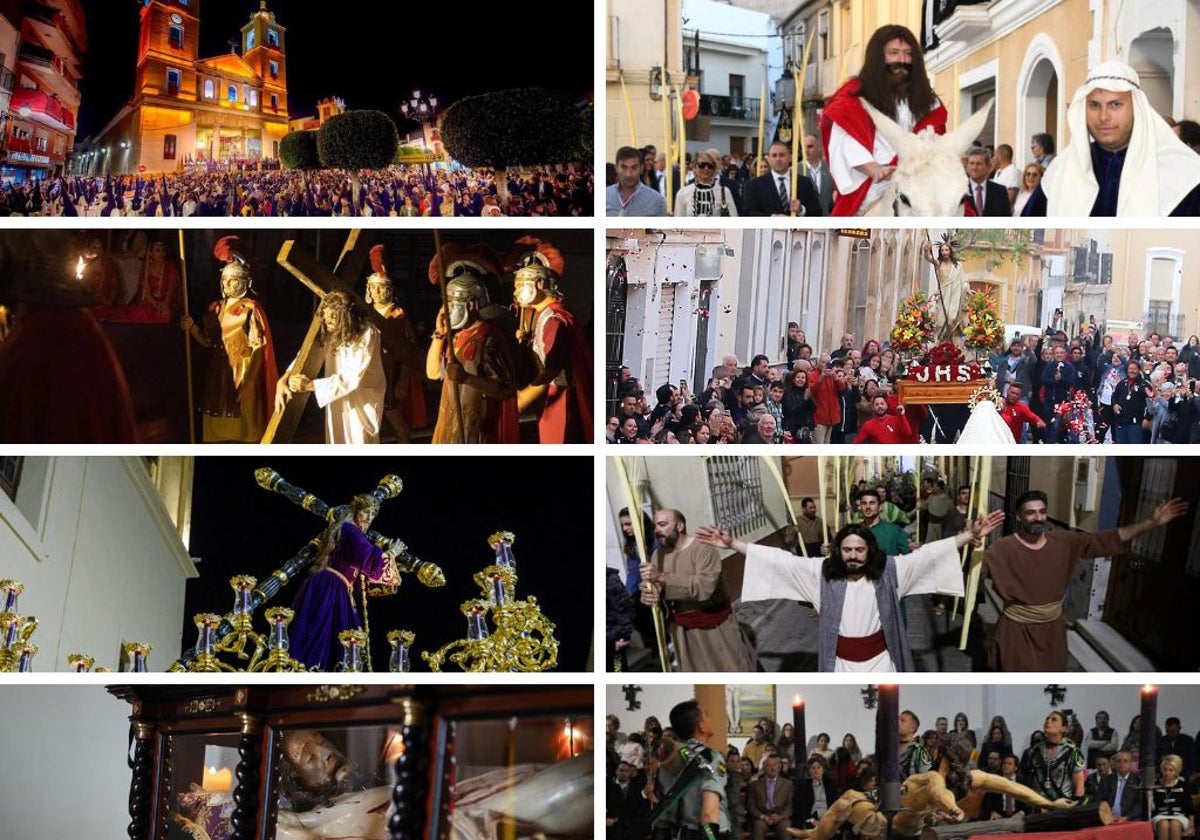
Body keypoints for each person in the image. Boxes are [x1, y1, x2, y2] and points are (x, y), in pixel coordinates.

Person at [717, 510, 1006, 671]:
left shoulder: (889, 571)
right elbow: (781, 561)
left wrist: (969, 535)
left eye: (859, 549)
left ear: (869, 551)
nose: (853, 555)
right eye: (847, 550)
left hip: (881, 660)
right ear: (838, 552)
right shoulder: (822, 574)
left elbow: (926, 556)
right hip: (839, 663)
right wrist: (733, 545)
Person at [985, 490, 1188, 671]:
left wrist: (1150, 523)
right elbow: (967, 571)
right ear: (1019, 517)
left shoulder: (1064, 541)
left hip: (1052, 631)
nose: (1038, 517)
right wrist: (971, 538)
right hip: (1017, 630)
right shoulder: (1002, 549)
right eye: (1030, 513)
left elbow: (1105, 540)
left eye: (1042, 511)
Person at [1022, 61, 1200, 216]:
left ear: (1137, 108)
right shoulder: (1060, 171)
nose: (1103, 116)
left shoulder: (1183, 173)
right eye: (1094, 105)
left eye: (1115, 104)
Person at [820, 25, 947, 216]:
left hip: (916, 180)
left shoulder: (929, 101)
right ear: (878, 57)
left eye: (908, 54)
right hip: (872, 185)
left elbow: (934, 136)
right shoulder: (855, 95)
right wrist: (873, 168)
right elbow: (846, 141)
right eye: (893, 53)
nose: (902, 60)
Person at [183, 236, 279, 443]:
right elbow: (209, 342)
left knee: (245, 433)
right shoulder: (215, 308)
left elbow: (259, 349)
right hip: (217, 375)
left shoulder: (251, 310)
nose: (228, 284)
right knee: (215, 433)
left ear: (244, 281)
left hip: (242, 374)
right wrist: (191, 329)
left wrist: (248, 383)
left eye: (233, 280)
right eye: (225, 280)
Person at [289, 494, 399, 671]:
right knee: (320, 634)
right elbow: (369, 561)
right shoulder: (350, 530)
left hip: (329, 585)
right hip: (331, 588)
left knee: (324, 634)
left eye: (373, 514)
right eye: (366, 512)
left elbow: (365, 572)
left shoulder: (347, 530)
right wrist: (392, 553)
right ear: (356, 511)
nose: (369, 518)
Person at [638, 508, 757, 671]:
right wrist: (648, 593)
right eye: (655, 526)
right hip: (682, 632)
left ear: (679, 526)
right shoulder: (657, 555)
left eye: (663, 524)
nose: (657, 530)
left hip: (715, 628)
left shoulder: (703, 549)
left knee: (730, 669)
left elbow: (705, 587)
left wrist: (662, 576)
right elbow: (653, 585)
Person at [425, 257, 519, 444]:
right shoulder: (454, 336)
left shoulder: (488, 338)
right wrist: (439, 335)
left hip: (475, 428)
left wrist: (467, 378)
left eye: (453, 304)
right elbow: (433, 373)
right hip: (450, 424)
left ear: (471, 305)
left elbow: (504, 388)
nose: (447, 310)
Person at [510, 237, 593, 443]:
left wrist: (523, 398)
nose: (515, 292)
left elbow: (552, 368)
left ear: (538, 283)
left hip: (559, 396)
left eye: (520, 285)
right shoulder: (544, 314)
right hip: (550, 395)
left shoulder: (554, 319)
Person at [276, 289, 386, 445]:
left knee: (359, 439)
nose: (329, 321)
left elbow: (352, 376)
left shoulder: (366, 332)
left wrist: (310, 385)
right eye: (326, 316)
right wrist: (284, 378)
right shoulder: (329, 330)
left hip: (361, 400)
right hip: (337, 397)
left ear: (346, 316)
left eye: (334, 316)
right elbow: (304, 354)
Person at [363, 246, 426, 443]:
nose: (376, 291)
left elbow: (408, 352)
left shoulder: (398, 315)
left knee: (392, 412)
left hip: (390, 372)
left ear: (388, 289)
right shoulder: (364, 314)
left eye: (380, 287)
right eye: (373, 287)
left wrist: (402, 382)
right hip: (367, 369)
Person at [660, 699, 732, 840]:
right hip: (704, 834)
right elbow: (709, 812)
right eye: (706, 715)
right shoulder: (712, 758)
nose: (710, 718)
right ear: (701, 726)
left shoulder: (669, 760)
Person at [742, 141, 823, 217]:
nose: (778, 159)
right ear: (769, 159)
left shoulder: (804, 182)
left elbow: (818, 212)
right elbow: (748, 213)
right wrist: (772, 219)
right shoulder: (754, 185)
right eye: (774, 155)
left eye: (782, 155)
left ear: (790, 157)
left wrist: (801, 210)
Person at [1026, 712, 1085, 803]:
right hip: (1037, 807)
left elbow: (1079, 785)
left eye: (1054, 719)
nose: (1048, 721)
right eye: (1047, 719)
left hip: (1061, 807)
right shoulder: (1035, 750)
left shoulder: (1072, 751)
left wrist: (1076, 807)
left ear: (1063, 728)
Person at [923, 240, 968, 344]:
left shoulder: (957, 266)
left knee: (951, 318)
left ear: (950, 251)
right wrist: (926, 251)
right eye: (942, 250)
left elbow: (964, 280)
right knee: (940, 320)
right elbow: (928, 258)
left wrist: (967, 290)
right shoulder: (939, 263)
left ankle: (949, 340)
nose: (944, 252)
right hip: (943, 294)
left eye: (946, 250)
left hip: (955, 294)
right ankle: (938, 340)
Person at [675, 150, 739, 217]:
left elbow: (734, 221)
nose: (706, 168)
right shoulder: (683, 193)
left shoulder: (724, 192)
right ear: (694, 168)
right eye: (702, 165)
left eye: (710, 166)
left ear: (714, 169)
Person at [607, 146, 668, 216]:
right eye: (623, 167)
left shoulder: (657, 201)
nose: (628, 174)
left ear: (641, 169)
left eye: (634, 167)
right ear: (616, 168)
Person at [1150, 755, 1195, 840]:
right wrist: (1150, 795)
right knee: (1163, 824)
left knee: (1175, 824)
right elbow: (1151, 808)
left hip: (1179, 816)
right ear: (1161, 769)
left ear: (1177, 771)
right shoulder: (1155, 785)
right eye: (1165, 769)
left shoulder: (1183, 785)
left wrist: (1192, 825)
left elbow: (1190, 807)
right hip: (1160, 816)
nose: (1167, 773)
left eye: (1171, 770)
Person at [750, 755, 794, 840]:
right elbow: (751, 806)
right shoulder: (754, 785)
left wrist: (780, 817)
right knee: (758, 827)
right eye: (769, 765)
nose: (772, 768)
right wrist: (763, 817)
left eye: (774, 765)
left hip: (781, 818)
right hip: (762, 817)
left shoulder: (788, 784)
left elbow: (790, 806)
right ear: (764, 768)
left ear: (779, 767)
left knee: (786, 829)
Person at [965, 148, 1013, 216]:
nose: (974, 167)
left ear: (988, 167)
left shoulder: (1000, 191)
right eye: (971, 163)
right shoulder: (958, 191)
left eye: (979, 164)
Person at [1099, 750, 1144, 821]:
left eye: (1125, 761)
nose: (1121, 764)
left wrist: (1127, 817)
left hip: (1130, 819)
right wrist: (1107, 816)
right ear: (1114, 763)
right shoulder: (1106, 780)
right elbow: (1100, 801)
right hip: (1108, 819)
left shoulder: (1138, 780)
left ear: (1131, 763)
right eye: (1119, 761)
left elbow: (1140, 804)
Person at [796, 756, 837, 828]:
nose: (816, 770)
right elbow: (802, 808)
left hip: (828, 815)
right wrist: (811, 820)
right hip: (812, 817)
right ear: (809, 771)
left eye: (818, 767)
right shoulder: (803, 786)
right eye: (813, 768)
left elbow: (835, 804)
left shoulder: (830, 784)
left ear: (822, 769)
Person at [802, 135, 835, 215]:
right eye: (804, 147)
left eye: (810, 147)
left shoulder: (831, 168)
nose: (806, 150)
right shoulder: (795, 171)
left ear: (819, 148)